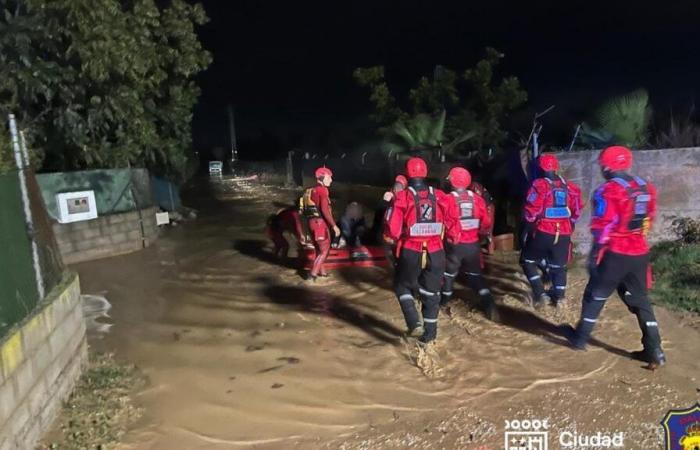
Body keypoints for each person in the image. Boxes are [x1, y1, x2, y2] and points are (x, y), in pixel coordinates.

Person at [565, 146, 666, 369]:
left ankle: (580, 339)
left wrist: (593, 256)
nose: (601, 168)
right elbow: (649, 217)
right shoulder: (646, 188)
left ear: (608, 166)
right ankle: (655, 350)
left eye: (602, 164)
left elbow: (603, 227)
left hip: (615, 252)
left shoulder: (607, 191)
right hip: (639, 251)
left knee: (595, 295)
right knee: (640, 301)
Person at [384, 158, 457, 343]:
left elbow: (392, 230)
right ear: (425, 172)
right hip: (436, 252)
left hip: (411, 251)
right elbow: (453, 223)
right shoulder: (441, 196)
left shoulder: (402, 197)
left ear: (407, 174)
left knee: (401, 286)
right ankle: (430, 337)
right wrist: (452, 237)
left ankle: (414, 323)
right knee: (432, 294)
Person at [521, 154, 582, 308]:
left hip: (543, 231)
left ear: (540, 169)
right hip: (563, 233)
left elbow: (531, 211)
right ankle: (561, 298)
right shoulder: (571, 188)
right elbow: (576, 210)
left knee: (527, 261)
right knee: (559, 266)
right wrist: (570, 225)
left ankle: (540, 294)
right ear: (556, 168)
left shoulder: (539, 185)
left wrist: (528, 228)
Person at [440, 167, 499, 321]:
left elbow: (441, 220)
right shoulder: (478, 200)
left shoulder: (447, 199)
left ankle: (443, 304)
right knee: (475, 277)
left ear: (452, 182)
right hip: (473, 245)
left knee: (448, 275)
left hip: (454, 245)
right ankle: (489, 304)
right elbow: (486, 223)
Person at [300, 167, 341, 280]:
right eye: (329, 177)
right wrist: (334, 225)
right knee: (324, 251)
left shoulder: (308, 191)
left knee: (319, 250)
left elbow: (303, 211)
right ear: (322, 178)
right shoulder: (323, 190)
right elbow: (324, 209)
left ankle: (322, 272)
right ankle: (312, 276)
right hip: (319, 224)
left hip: (310, 223)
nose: (331, 180)